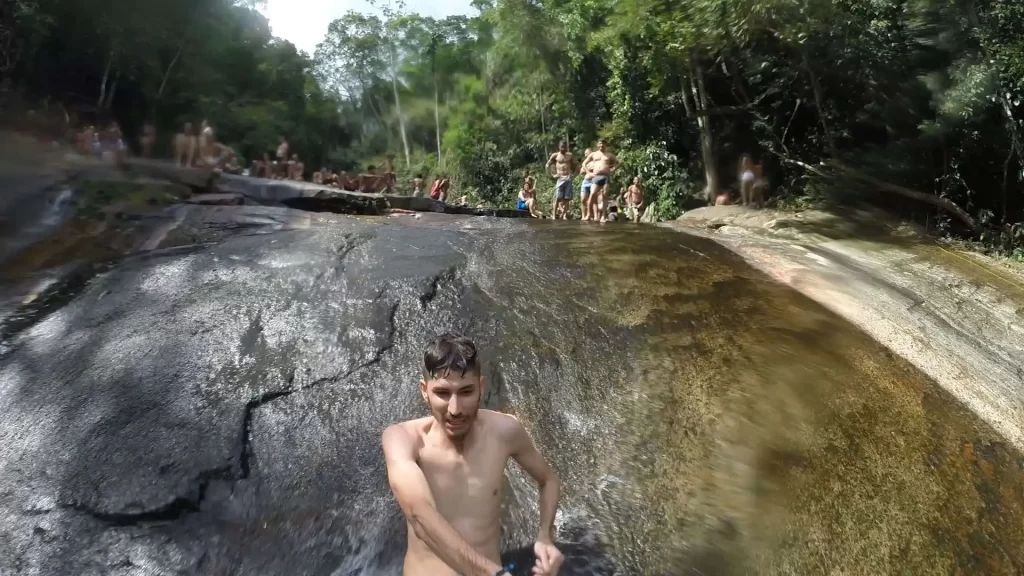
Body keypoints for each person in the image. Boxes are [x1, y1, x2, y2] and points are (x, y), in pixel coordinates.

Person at [383, 334, 564, 576]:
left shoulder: (504, 431)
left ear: (482, 387)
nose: (455, 409)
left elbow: (548, 480)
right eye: (443, 393)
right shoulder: (403, 439)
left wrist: (545, 536)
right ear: (424, 391)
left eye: (466, 391)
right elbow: (420, 515)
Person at [581, 140, 620, 223]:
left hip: (605, 176)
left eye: (603, 143)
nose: (601, 145)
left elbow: (619, 162)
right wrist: (588, 173)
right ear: (597, 145)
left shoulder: (609, 155)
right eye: (600, 143)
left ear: (606, 145)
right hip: (596, 176)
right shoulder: (593, 154)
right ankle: (588, 214)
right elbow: (584, 164)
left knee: (605, 195)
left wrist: (613, 169)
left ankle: (603, 216)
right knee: (592, 194)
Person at [545, 141, 576, 220]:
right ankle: (554, 215)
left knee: (567, 198)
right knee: (558, 198)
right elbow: (547, 165)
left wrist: (574, 174)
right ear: (559, 147)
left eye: (565, 146)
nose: (563, 148)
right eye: (562, 146)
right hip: (560, 178)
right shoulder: (555, 155)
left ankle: (565, 214)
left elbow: (576, 164)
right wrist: (551, 175)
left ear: (567, 147)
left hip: (568, 178)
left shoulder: (570, 155)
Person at [579, 148, 594, 221]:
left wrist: (587, 169)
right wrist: (588, 169)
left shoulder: (595, 161)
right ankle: (583, 215)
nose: (585, 155)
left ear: (591, 153)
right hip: (585, 181)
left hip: (593, 182)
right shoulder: (586, 162)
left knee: (591, 200)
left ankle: (591, 215)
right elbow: (581, 171)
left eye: (586, 153)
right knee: (583, 200)